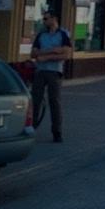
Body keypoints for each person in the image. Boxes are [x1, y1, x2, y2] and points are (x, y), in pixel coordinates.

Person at [30, 11, 71, 143]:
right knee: (35, 101)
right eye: (43, 19)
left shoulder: (62, 35)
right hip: (40, 71)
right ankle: (31, 128)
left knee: (55, 102)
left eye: (46, 19)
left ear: (54, 19)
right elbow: (33, 53)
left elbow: (65, 54)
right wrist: (54, 50)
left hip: (54, 72)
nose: (44, 21)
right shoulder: (41, 35)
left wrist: (46, 57)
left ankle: (57, 132)